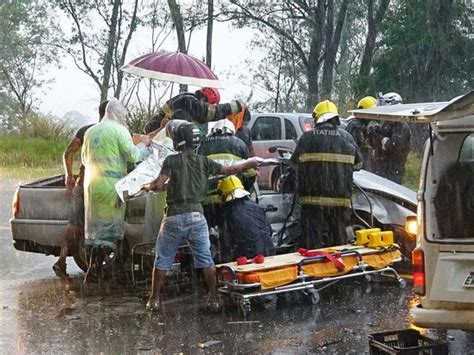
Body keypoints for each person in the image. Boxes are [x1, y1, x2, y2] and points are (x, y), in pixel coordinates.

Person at [142, 116, 258, 313]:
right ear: (196, 142)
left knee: (162, 259)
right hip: (197, 216)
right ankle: (213, 299)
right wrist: (250, 163)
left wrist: (147, 186)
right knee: (205, 259)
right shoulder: (204, 162)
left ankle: (153, 300)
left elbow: (159, 185)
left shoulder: (171, 161)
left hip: (173, 217)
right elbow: (230, 169)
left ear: (178, 141)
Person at [81, 98, 150, 276]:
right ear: (118, 114)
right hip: (111, 187)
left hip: (92, 186)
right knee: (112, 231)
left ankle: (93, 268)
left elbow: (83, 160)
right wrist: (143, 144)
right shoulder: (120, 131)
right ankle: (112, 271)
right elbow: (133, 156)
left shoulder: (90, 131)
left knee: (96, 231)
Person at [290, 100, 363, 250]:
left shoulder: (307, 138)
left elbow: (293, 164)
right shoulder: (347, 138)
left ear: (317, 118)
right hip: (339, 201)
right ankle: (341, 269)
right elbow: (358, 164)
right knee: (339, 240)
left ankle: (313, 269)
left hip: (312, 202)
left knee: (312, 244)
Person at [53, 100, 108, 283]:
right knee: (99, 227)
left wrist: (69, 176)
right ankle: (95, 268)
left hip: (82, 184)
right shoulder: (114, 132)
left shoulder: (86, 131)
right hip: (99, 188)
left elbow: (68, 152)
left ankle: (62, 260)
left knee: (74, 225)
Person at [198, 118, 251, 227]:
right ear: (232, 131)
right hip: (232, 198)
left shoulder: (202, 145)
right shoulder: (239, 143)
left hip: (207, 199)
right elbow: (250, 172)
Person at [217, 175, 274, 261]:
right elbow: (269, 231)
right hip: (269, 252)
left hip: (248, 256)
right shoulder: (257, 207)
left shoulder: (229, 213)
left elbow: (227, 242)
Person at [142, 87, 243, 134]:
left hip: (155, 133)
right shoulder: (189, 101)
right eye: (209, 104)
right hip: (156, 135)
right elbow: (208, 113)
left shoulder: (186, 99)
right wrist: (234, 106)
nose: (209, 106)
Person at [368, 92, 411, 184]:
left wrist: (384, 140)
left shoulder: (401, 126)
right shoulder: (387, 124)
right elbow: (377, 146)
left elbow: (393, 146)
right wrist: (374, 134)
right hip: (381, 170)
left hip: (393, 172)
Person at [345, 96, 377, 172]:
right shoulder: (356, 126)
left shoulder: (361, 125)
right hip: (359, 168)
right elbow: (355, 148)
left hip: (362, 166)